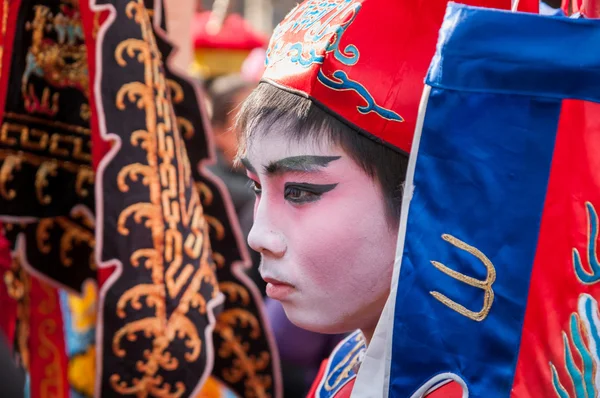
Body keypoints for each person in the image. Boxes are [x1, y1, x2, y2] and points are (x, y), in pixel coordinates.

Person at [233, 0, 515, 396]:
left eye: (299, 191)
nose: (257, 235)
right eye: (256, 187)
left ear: (427, 199)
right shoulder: (346, 365)